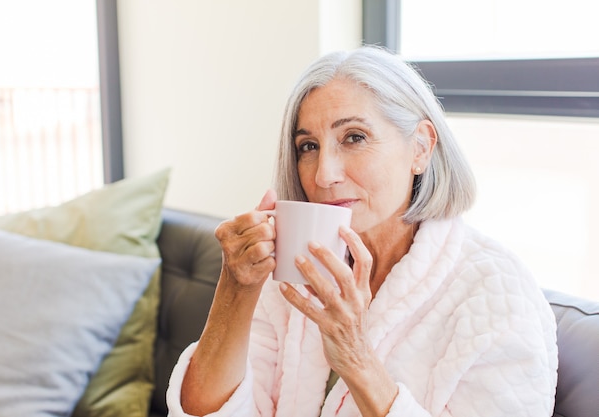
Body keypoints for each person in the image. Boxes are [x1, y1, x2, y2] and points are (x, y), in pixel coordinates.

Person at [166, 45, 558, 417]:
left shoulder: (496, 294)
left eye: (354, 138)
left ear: (420, 147)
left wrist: (356, 357)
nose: (324, 174)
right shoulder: (298, 266)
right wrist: (237, 288)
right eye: (308, 146)